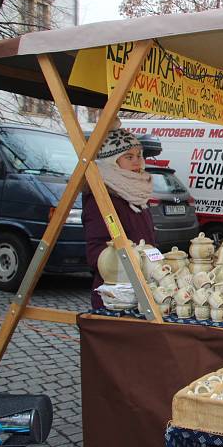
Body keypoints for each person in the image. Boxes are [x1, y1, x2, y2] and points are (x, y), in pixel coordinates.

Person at [83, 123, 156, 309]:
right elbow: (95, 252)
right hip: (116, 298)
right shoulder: (102, 198)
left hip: (143, 292)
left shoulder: (138, 194)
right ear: (111, 161)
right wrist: (130, 260)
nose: (137, 162)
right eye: (128, 157)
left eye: (139, 155)